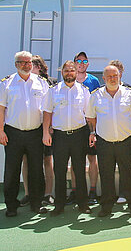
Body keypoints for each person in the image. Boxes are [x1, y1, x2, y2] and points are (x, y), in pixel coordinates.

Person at [0, 51, 50, 216]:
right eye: (23, 62)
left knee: (36, 170)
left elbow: (47, 110)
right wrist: (0, 130)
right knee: (12, 170)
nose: (27, 65)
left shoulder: (41, 83)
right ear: (16, 64)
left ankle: (36, 203)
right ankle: (11, 206)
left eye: (29, 62)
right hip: (13, 133)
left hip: (35, 133)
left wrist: (46, 131)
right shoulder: (6, 84)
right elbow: (0, 109)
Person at [85, 65, 131, 217]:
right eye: (109, 76)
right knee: (106, 175)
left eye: (115, 76)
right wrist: (95, 132)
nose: (112, 79)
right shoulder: (95, 95)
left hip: (124, 141)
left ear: (120, 77)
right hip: (104, 142)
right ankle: (106, 206)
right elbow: (90, 116)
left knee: (129, 174)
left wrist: (126, 128)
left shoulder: (129, 94)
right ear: (103, 78)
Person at [41, 60, 92, 215]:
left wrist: (92, 132)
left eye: (72, 70)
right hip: (60, 136)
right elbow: (47, 113)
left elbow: (89, 115)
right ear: (62, 72)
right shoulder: (53, 91)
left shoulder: (84, 91)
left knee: (79, 169)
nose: (69, 73)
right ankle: (59, 205)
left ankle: (83, 204)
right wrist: (45, 133)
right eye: (66, 71)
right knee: (60, 170)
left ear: (76, 72)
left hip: (79, 135)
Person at [73, 51, 100, 206]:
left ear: (88, 64)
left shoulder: (94, 81)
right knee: (76, 160)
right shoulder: (70, 79)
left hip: (90, 126)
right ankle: (76, 192)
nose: (81, 64)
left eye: (84, 61)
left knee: (92, 159)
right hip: (74, 126)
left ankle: (92, 191)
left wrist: (94, 129)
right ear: (74, 63)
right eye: (78, 61)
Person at [31, 55, 55, 207]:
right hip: (29, 129)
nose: (28, 68)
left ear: (39, 67)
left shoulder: (50, 83)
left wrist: (50, 127)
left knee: (48, 160)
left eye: (31, 65)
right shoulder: (22, 83)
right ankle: (29, 193)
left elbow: (53, 106)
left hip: (45, 128)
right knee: (29, 161)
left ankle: (48, 193)